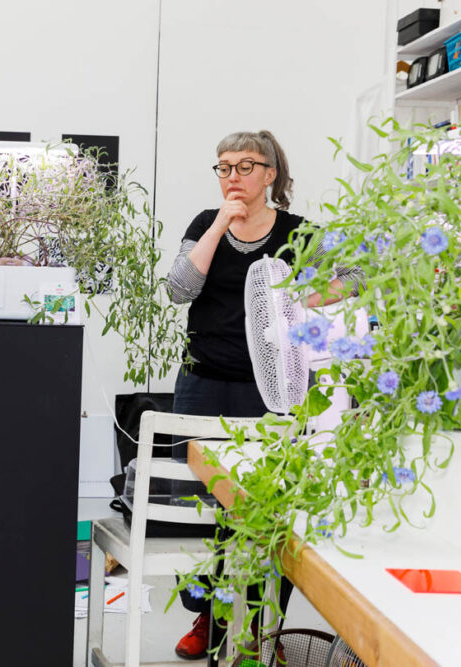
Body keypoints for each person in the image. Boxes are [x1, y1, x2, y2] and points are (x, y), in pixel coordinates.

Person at [166, 130, 361, 660]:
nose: (232, 175)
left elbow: (358, 275)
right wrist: (220, 225)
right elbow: (180, 288)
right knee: (205, 506)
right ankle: (208, 616)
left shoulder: (301, 233)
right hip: (202, 381)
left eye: (245, 166)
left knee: (259, 512)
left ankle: (252, 622)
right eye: (224, 166)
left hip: (271, 390)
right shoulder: (205, 224)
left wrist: (298, 300)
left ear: (270, 174)